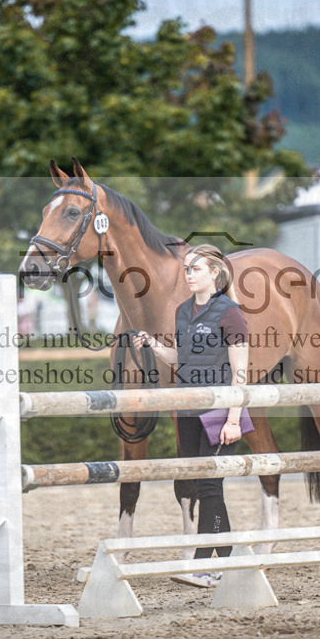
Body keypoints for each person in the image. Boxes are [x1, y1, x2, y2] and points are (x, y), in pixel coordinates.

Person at [133, 244, 249, 588]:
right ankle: (227, 563)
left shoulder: (231, 313)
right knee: (202, 486)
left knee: (211, 484)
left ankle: (201, 564)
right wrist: (154, 346)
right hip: (187, 410)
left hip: (219, 411)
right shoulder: (183, 311)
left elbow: (241, 371)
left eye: (196, 269)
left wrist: (233, 419)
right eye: (187, 269)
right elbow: (180, 358)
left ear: (215, 273)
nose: (189, 274)